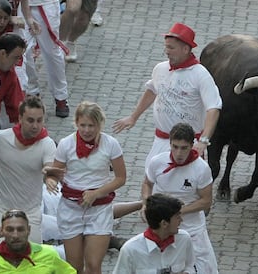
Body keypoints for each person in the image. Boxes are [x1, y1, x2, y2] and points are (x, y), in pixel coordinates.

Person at [112, 22, 222, 160]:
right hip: (160, 141)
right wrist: (134, 117)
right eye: (166, 46)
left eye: (171, 47)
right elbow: (152, 90)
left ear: (185, 49)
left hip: (186, 145)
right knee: (151, 179)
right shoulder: (160, 69)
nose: (166, 51)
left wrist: (203, 141)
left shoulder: (201, 75)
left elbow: (213, 108)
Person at [44, 101, 126, 274]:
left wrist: (96, 193)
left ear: (100, 124)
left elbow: (120, 178)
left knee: (94, 265)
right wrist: (50, 180)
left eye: (91, 125)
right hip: (71, 208)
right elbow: (55, 172)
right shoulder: (66, 144)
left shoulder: (111, 144)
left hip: (99, 210)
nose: (87, 130)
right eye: (83, 125)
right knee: (74, 267)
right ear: (76, 123)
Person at [142, 123, 219, 273]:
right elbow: (147, 183)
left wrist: (177, 211)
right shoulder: (157, 162)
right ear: (170, 143)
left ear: (192, 145)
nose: (178, 153)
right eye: (175, 147)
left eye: (184, 148)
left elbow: (206, 201)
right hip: (162, 228)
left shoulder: (201, 168)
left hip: (192, 229)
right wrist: (146, 204)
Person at [0, 96, 56, 250]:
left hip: (30, 212)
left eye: (39, 120)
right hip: (0, 209)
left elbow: (50, 169)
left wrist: (50, 179)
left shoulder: (47, 144)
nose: (35, 126)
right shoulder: (0, 139)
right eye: (30, 120)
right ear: (20, 118)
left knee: (33, 258)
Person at [113, 193, 196, 274]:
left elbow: (190, 266)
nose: (181, 220)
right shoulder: (131, 249)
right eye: (177, 217)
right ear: (164, 223)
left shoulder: (184, 239)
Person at [18, 0, 70, 118]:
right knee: (22, 51)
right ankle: (32, 92)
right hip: (19, 6)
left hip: (45, 4)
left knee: (51, 52)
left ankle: (60, 96)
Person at [0, 209, 76, 273]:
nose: (15, 235)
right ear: (1, 231)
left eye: (20, 229)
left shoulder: (49, 255)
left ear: (28, 230)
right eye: (10, 230)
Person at [0, 32, 25, 130]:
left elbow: (17, 108)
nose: (17, 63)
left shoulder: (10, 76)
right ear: (3, 53)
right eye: (15, 58)